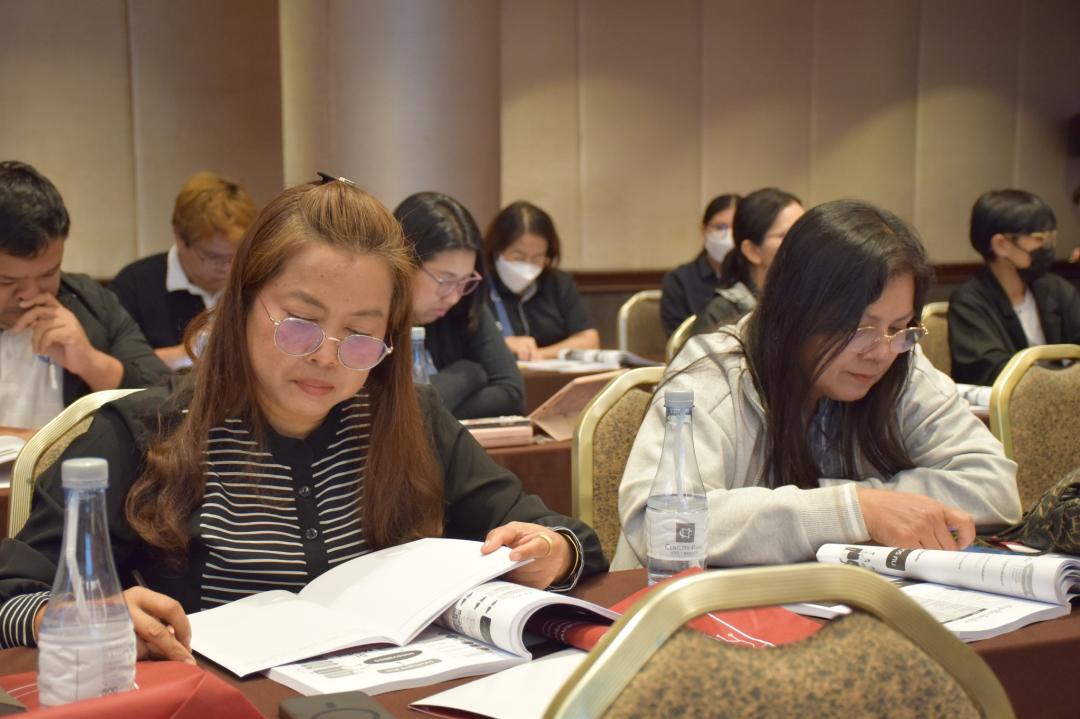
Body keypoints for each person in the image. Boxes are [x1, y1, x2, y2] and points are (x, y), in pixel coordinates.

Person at [0, 178, 606, 660]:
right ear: (241, 304)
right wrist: (74, 614)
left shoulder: (410, 420)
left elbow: (563, 536)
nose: (326, 356)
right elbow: (12, 598)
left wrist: (553, 549)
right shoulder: (141, 434)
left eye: (361, 335)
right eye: (300, 323)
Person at [614, 199, 1022, 570]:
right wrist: (854, 510)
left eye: (899, 327)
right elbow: (660, 526)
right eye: (860, 327)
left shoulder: (901, 359)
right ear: (796, 310)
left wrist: (871, 505)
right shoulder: (713, 375)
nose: (880, 352)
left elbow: (994, 487)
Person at [0, 160, 168, 438]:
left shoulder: (92, 304)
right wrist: (36, 442)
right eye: (6, 281)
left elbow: (169, 410)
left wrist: (91, 363)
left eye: (48, 274)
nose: (30, 294)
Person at [395, 192, 525, 419]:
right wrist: (469, 372)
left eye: (465, 280)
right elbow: (396, 410)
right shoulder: (370, 318)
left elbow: (512, 395)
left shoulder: (465, 302)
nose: (454, 297)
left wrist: (432, 407)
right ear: (404, 263)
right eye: (445, 280)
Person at [110, 171, 257, 369]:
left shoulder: (255, 283)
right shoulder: (134, 286)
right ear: (179, 237)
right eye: (213, 257)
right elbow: (114, 368)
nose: (228, 268)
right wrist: (187, 353)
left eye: (236, 256)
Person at [948, 190, 1080, 386]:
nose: (1047, 247)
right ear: (1001, 245)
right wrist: (1068, 378)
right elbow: (995, 373)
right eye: (1039, 238)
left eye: (1050, 238)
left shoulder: (1056, 289)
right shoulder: (968, 302)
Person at [483, 201, 599, 360]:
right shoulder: (475, 285)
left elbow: (589, 340)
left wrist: (538, 355)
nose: (528, 265)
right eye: (519, 258)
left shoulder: (558, 283)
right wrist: (502, 345)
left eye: (537, 258)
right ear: (497, 250)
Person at [690, 188, 804, 336]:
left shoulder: (809, 302)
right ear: (752, 251)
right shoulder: (721, 315)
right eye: (786, 235)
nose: (804, 241)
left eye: (805, 231)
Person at [659, 193, 740, 336]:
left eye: (736, 228)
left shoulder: (756, 277)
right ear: (704, 230)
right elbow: (678, 339)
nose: (728, 236)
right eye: (720, 227)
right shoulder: (679, 281)